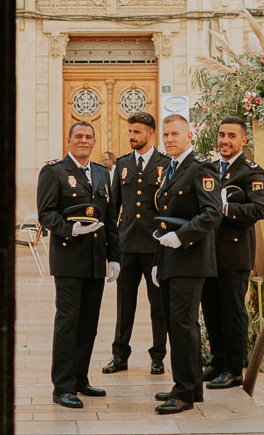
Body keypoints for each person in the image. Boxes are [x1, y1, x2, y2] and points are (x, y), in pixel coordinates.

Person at [36, 121, 120, 409]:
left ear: (94, 142)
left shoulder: (101, 172)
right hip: (69, 260)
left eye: (88, 137)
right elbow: (45, 214)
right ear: (69, 140)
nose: (83, 140)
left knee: (89, 325)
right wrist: (70, 230)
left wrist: (115, 256)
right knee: (68, 323)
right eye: (78, 136)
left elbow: (110, 219)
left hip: (96, 260)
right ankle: (62, 387)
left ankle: (80, 379)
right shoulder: (54, 172)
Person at [149, 114, 222, 414]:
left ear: (190, 135)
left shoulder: (200, 167)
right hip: (170, 258)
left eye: (175, 134)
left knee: (181, 325)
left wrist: (182, 237)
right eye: (165, 135)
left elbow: (213, 212)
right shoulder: (171, 167)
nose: (168, 139)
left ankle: (184, 394)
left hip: (190, 260)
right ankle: (190, 386)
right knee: (180, 325)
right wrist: (158, 261)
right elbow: (163, 220)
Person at [200, 117, 264, 390]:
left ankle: (233, 368)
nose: (224, 140)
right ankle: (217, 361)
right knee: (211, 311)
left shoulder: (251, 171)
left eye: (231, 136)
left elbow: (260, 210)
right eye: (221, 135)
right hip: (208, 253)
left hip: (234, 252)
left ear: (243, 140)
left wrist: (225, 209)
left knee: (232, 312)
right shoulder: (210, 168)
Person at [102, 111, 172, 375]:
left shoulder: (165, 164)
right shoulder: (122, 165)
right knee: (124, 304)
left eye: (137, 132)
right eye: (130, 132)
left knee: (159, 305)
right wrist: (113, 251)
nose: (132, 136)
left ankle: (158, 356)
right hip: (127, 244)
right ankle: (119, 356)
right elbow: (113, 209)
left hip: (155, 245)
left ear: (150, 133)